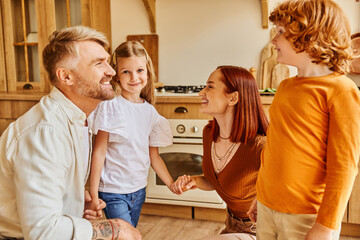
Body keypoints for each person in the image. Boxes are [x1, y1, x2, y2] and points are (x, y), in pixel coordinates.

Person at [0, 26, 141, 240]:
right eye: (98, 63)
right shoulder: (46, 132)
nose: (111, 71)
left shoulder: (78, 118)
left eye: (107, 61)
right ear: (66, 76)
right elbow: (43, 232)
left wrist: (71, 199)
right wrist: (115, 228)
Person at [247, 0, 360, 239]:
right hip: (268, 207)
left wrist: (326, 225)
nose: (273, 41)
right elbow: (275, 148)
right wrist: (260, 195)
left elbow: (344, 167)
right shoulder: (286, 86)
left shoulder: (342, 90)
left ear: (310, 36)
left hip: (308, 217)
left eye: (280, 32)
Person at [88, 40, 180, 227]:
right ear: (116, 76)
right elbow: (99, 152)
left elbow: (153, 156)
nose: (134, 77)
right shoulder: (110, 106)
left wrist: (170, 183)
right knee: (127, 235)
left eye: (139, 70)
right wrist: (93, 194)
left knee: (127, 233)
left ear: (147, 72)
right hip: (113, 191)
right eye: (126, 72)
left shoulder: (150, 112)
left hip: (138, 190)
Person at [173, 66, 269, 240]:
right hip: (231, 226)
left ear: (233, 98)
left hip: (261, 231)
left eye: (210, 86)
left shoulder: (260, 147)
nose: (201, 92)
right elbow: (218, 180)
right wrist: (194, 180)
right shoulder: (209, 133)